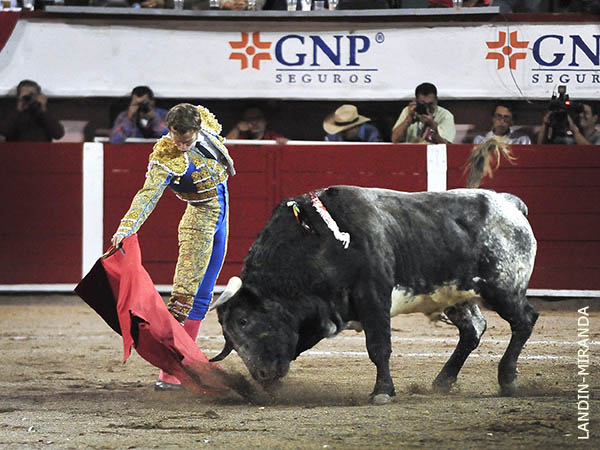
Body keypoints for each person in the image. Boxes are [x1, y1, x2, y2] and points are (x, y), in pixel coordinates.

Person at [110, 103, 236, 390]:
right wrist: (126, 228)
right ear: (169, 130)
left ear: (198, 130)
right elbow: (148, 195)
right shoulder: (165, 157)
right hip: (199, 222)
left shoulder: (206, 123)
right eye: (177, 139)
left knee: (203, 294)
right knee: (184, 297)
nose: (181, 146)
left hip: (221, 216)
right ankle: (169, 372)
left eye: (187, 141)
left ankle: (186, 361)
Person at [391, 82, 456, 144]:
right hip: (411, 150)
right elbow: (395, 139)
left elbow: (448, 146)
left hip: (433, 151)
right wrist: (408, 120)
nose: (427, 108)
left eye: (430, 104)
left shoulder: (445, 116)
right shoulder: (409, 111)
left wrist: (432, 126)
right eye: (423, 104)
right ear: (416, 100)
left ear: (436, 100)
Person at [0, 80, 64, 142]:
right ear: (18, 96)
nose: (29, 97)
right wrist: (19, 109)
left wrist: (43, 110)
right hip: (17, 149)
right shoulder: (10, 111)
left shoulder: (44, 112)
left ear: (39, 95)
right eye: (26, 95)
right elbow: (3, 132)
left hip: (41, 148)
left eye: (32, 95)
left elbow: (58, 134)